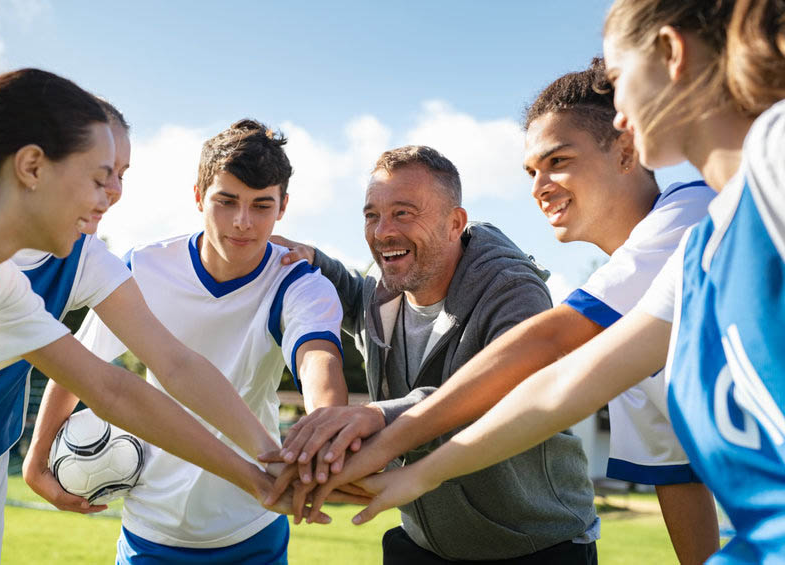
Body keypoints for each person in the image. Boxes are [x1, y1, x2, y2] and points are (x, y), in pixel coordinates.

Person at [353, 0, 785, 561]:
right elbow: (573, 398)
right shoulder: (688, 263)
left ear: (672, 54)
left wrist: (387, 437)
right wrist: (420, 473)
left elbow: (551, 344)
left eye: (620, 81)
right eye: (531, 171)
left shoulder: (709, 203)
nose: (619, 113)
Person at [287, 60, 721, 563]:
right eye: (531, 171)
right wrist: (305, 260)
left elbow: (543, 352)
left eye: (558, 160)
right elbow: (677, 475)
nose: (539, 186)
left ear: (626, 150)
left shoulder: (693, 217)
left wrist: (385, 437)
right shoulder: (624, 327)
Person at [0, 70, 311, 564]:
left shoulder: (3, 290)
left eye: (120, 175)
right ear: (32, 167)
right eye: (99, 176)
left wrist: (267, 473)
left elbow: (117, 387)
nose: (112, 194)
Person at [36, 119, 349, 564]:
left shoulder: (297, 282)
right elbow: (79, 368)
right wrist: (38, 456)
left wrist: (327, 431)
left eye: (261, 205)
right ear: (199, 196)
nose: (243, 222)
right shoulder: (142, 268)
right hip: (150, 527)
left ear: (282, 207)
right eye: (226, 202)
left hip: (252, 524)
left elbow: (318, 358)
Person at [269, 145, 599, 564]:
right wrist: (316, 260)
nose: (383, 231)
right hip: (426, 543)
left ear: (454, 223)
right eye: (372, 215)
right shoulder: (383, 288)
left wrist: (377, 414)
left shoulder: (514, 289)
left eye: (404, 213)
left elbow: (499, 394)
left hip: (535, 545)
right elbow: (355, 296)